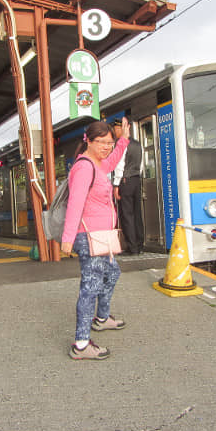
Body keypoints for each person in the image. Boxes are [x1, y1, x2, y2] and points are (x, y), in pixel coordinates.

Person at [61, 118, 130, 360]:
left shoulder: (98, 164)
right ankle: (81, 344)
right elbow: (75, 204)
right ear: (87, 141)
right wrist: (67, 239)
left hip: (102, 237)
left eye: (109, 143)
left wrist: (123, 141)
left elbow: (111, 162)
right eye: (100, 142)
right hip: (89, 236)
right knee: (89, 289)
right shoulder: (84, 168)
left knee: (113, 273)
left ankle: (101, 318)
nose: (105, 147)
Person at [112, 118, 144, 255]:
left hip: (125, 180)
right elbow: (141, 165)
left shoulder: (121, 144)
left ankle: (132, 248)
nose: (115, 131)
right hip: (137, 180)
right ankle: (139, 244)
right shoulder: (138, 144)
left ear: (121, 129)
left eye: (116, 129)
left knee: (127, 214)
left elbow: (119, 166)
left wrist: (116, 184)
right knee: (137, 213)